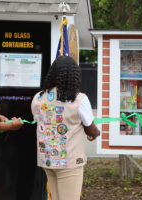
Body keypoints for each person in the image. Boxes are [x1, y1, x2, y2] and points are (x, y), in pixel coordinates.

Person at [31, 56, 100, 200]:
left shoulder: (38, 97)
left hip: (47, 160)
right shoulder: (79, 99)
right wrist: (95, 132)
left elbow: (40, 120)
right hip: (69, 162)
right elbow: (90, 129)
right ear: (74, 75)